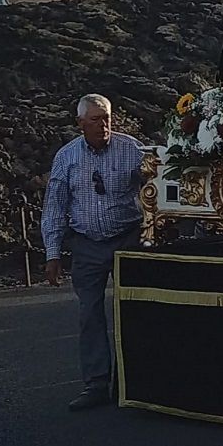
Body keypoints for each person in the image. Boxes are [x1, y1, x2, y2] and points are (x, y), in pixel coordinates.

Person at [41, 94, 144, 411]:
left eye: (107, 118)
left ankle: (139, 383)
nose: (104, 125)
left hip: (128, 238)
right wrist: (52, 253)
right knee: (90, 314)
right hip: (86, 243)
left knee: (135, 313)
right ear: (81, 123)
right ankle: (97, 384)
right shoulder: (67, 157)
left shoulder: (132, 149)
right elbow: (55, 206)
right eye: (96, 119)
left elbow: (156, 191)